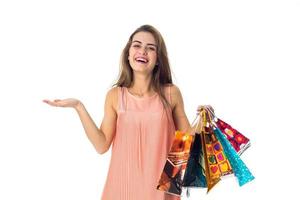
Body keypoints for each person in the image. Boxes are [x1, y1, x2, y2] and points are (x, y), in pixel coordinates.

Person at [43, 24, 204, 200]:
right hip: (122, 188)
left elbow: (186, 143)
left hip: (160, 191)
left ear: (158, 59)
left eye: (150, 48)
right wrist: (79, 107)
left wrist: (203, 119)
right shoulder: (115, 96)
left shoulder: (171, 93)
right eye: (137, 45)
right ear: (128, 54)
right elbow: (101, 145)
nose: (142, 51)